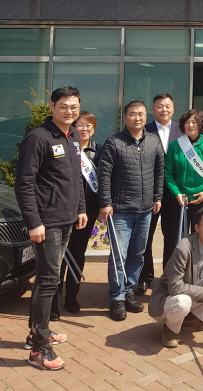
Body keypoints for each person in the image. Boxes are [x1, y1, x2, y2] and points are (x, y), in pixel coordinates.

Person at [16, 86, 87, 370]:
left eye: (74, 106)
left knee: (49, 278)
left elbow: (76, 178)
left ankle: (39, 330)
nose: (69, 111)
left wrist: (81, 208)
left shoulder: (72, 138)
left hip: (66, 218)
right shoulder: (38, 138)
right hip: (46, 223)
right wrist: (34, 222)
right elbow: (24, 184)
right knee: (48, 280)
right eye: (64, 106)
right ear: (52, 106)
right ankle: (38, 349)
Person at [98, 100, 165, 321]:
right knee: (119, 255)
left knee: (137, 254)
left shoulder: (154, 142)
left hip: (145, 210)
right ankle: (116, 298)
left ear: (146, 117)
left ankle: (128, 289)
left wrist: (157, 197)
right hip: (121, 210)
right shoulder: (114, 143)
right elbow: (104, 175)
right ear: (125, 117)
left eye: (141, 114)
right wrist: (105, 203)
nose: (138, 118)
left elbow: (159, 172)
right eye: (133, 114)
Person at [149, 206, 203, 347]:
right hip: (169, 298)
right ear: (196, 227)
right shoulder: (184, 248)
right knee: (182, 302)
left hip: (194, 291)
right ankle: (170, 331)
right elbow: (175, 287)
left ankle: (193, 321)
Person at [55, 111, 102, 315]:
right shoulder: (65, 148)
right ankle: (53, 300)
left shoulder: (98, 151)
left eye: (88, 126)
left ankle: (71, 296)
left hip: (88, 212)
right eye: (80, 125)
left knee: (77, 253)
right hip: (63, 211)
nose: (84, 129)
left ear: (94, 128)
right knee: (58, 256)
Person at [136, 93, 182, 296]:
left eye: (168, 106)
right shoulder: (144, 130)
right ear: (152, 110)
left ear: (173, 108)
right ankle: (145, 277)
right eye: (160, 106)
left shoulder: (182, 130)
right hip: (148, 191)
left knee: (173, 237)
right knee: (145, 236)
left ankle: (168, 277)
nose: (164, 109)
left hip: (174, 193)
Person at [165, 109, 203, 233]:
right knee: (178, 238)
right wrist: (176, 193)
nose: (190, 125)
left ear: (200, 124)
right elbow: (168, 173)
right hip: (180, 199)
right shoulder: (175, 145)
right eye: (187, 122)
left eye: (194, 122)